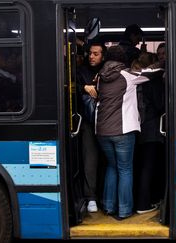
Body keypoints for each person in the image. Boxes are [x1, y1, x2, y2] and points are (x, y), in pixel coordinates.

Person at [95, 45, 163, 220]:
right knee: (125, 169)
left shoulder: (100, 77)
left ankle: (109, 206)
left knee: (111, 167)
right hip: (122, 131)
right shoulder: (128, 76)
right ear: (122, 59)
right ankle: (124, 210)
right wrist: (164, 61)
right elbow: (150, 73)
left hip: (102, 132)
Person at [133, 52, 166, 214]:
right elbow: (159, 104)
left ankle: (142, 201)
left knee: (142, 165)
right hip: (152, 128)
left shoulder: (138, 79)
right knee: (149, 166)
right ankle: (143, 204)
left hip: (140, 127)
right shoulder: (152, 81)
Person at [76, 41, 107, 213]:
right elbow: (70, 87)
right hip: (88, 121)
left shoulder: (108, 71)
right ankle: (91, 197)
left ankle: (104, 196)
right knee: (90, 158)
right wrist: (84, 87)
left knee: (107, 160)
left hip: (107, 120)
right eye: (90, 53)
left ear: (103, 55)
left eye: (96, 54)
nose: (92, 56)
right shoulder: (81, 71)